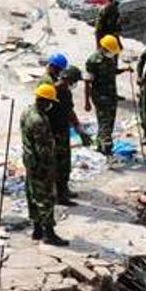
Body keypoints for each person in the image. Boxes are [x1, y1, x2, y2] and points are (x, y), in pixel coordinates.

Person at [23, 83, 68, 246]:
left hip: (29, 161)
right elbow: (44, 150)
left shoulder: (27, 112)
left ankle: (37, 229)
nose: (50, 105)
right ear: (43, 100)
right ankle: (49, 233)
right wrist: (51, 168)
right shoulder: (39, 120)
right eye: (49, 102)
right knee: (46, 198)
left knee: (33, 195)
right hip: (41, 165)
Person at [53, 66, 92, 204]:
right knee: (55, 165)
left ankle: (63, 190)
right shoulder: (51, 91)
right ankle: (58, 195)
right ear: (68, 79)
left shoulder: (66, 93)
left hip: (63, 132)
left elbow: (70, 112)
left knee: (64, 164)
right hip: (52, 134)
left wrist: (80, 131)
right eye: (74, 81)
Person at [85, 35, 125, 155]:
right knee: (104, 122)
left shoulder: (110, 57)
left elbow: (113, 71)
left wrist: (124, 69)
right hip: (100, 95)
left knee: (110, 121)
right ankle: (106, 149)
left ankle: (100, 144)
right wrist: (87, 102)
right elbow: (87, 82)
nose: (112, 53)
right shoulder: (93, 61)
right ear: (103, 48)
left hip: (112, 94)